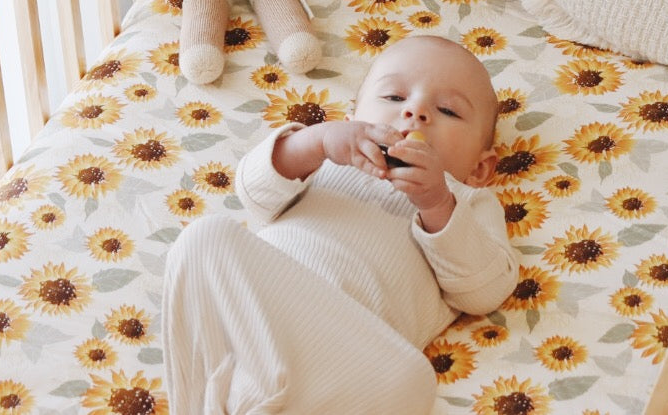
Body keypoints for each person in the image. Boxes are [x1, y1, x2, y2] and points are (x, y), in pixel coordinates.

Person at [161, 35, 517, 414]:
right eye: (395, 98)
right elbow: (253, 192)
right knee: (207, 236)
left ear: (480, 169)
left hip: (346, 349)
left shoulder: (467, 200)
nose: (415, 112)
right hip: (259, 319)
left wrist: (436, 202)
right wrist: (316, 143)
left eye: (448, 110)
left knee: (410, 379)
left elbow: (484, 291)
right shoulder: (326, 162)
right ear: (352, 122)